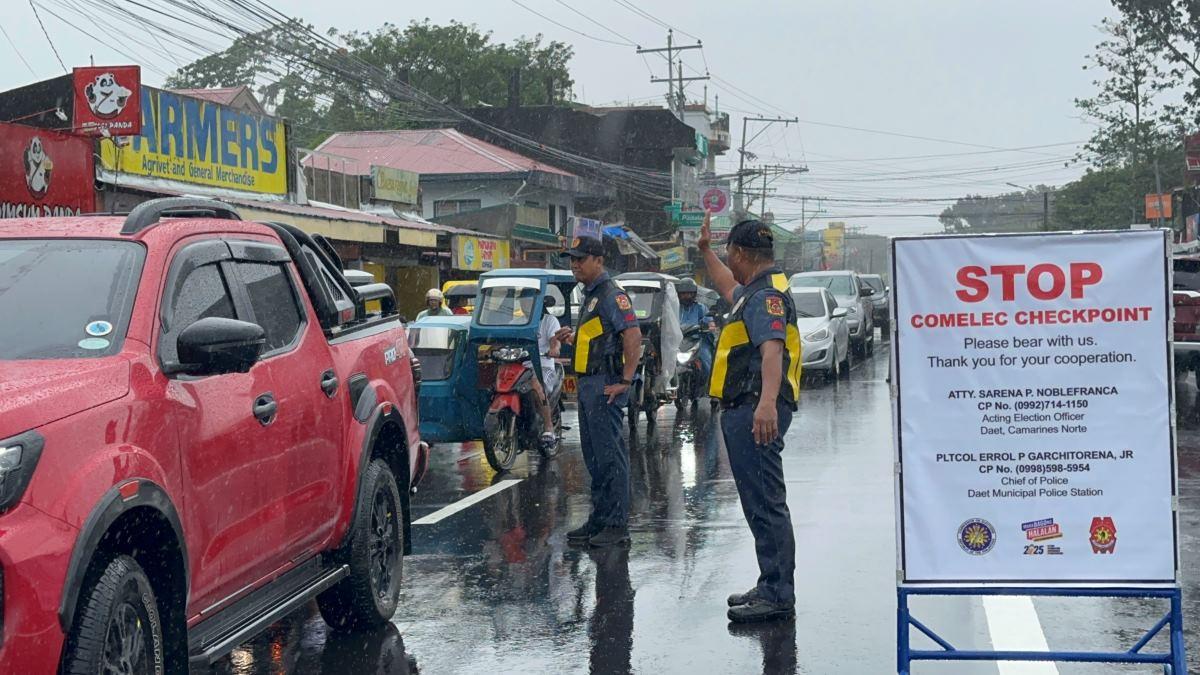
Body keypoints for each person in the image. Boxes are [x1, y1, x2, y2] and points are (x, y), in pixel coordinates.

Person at [699, 211, 802, 624]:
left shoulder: (766, 298)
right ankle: (770, 582)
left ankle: (778, 593)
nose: (730, 262)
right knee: (758, 501)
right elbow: (728, 287)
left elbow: (771, 348)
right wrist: (706, 252)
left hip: (755, 408)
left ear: (741, 252)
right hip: (749, 407)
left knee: (766, 503)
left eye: (729, 254)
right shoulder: (758, 290)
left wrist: (765, 403)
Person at [554, 236, 642, 548]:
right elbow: (602, 335)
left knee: (610, 457)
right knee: (594, 457)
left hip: (605, 383)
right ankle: (600, 518)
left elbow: (632, 334)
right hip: (589, 385)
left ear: (599, 260)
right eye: (572, 259)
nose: (575, 264)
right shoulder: (591, 295)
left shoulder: (611, 294)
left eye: (581, 258)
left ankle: (617, 525)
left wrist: (626, 380)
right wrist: (575, 337)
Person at [527, 295, 562, 453]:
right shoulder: (518, 323)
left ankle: (549, 429)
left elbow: (555, 340)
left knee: (536, 385)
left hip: (543, 366)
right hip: (521, 366)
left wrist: (554, 349)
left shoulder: (549, 321)